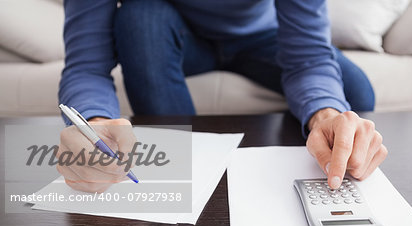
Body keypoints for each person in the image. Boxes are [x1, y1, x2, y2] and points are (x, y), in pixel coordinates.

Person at [57, 0, 387, 193]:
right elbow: (86, 65)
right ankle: (186, 168)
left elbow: (309, 57)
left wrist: (326, 115)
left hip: (262, 37)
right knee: (139, 16)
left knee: (354, 92)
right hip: (171, 33)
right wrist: (94, 123)